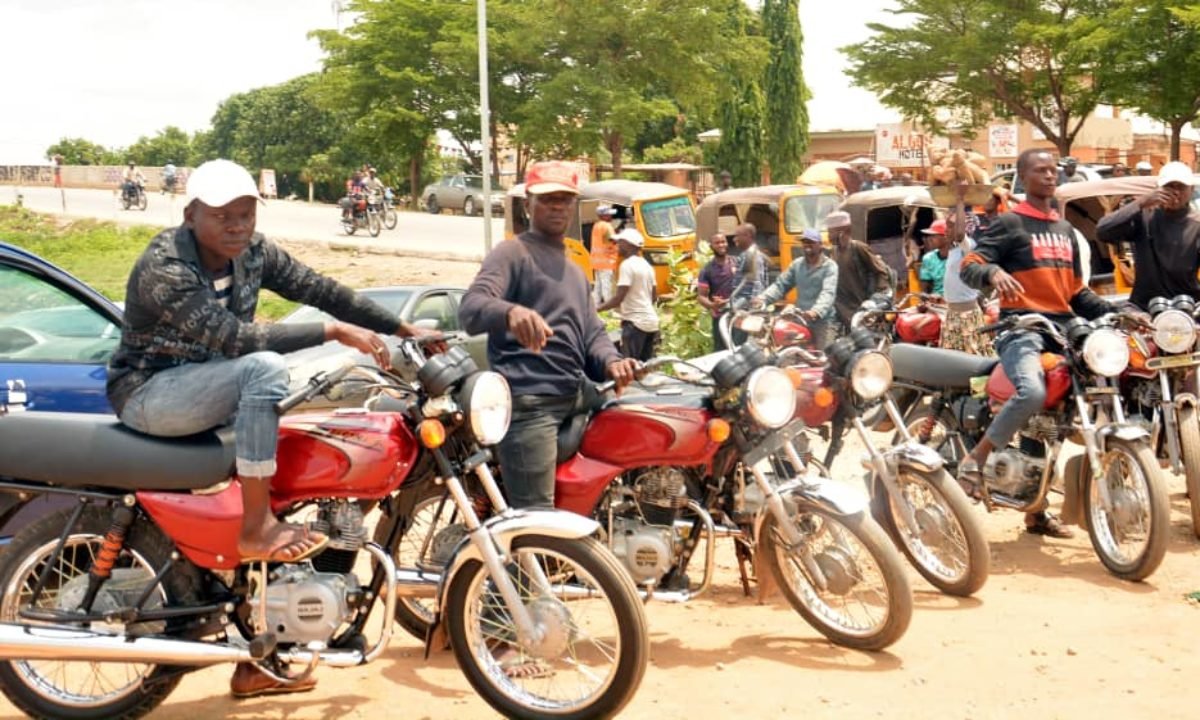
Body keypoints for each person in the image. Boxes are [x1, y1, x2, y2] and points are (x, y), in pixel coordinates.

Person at [106, 159, 440, 698]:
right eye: (223, 216)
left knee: (306, 448)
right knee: (264, 370)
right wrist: (333, 332)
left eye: (245, 214)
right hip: (151, 393)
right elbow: (233, 340)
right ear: (191, 215)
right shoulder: (163, 264)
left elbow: (320, 286)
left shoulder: (254, 253)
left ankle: (263, 653)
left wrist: (403, 328)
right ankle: (254, 526)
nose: (237, 226)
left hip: (210, 392)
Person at [459, 160, 638, 511]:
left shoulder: (573, 268)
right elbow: (471, 307)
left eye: (564, 199)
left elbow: (592, 334)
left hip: (577, 392)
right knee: (538, 523)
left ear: (573, 206)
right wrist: (511, 313)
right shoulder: (512, 253)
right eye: (547, 199)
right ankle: (527, 564)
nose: (557, 206)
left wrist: (614, 362)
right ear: (529, 205)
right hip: (532, 402)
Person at [959, 148, 1114, 539]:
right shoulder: (1010, 223)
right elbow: (970, 265)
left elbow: (1075, 292)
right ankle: (975, 459)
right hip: (1021, 326)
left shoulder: (1063, 230)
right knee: (1031, 392)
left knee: (1059, 415)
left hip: (1061, 330)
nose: (1049, 176)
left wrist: (1122, 311)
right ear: (1023, 179)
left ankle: (1035, 511)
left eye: (1053, 170)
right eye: (1040, 171)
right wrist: (993, 272)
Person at [1095, 161, 1200, 310]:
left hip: (1186, 308)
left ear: (1192, 189)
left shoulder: (1196, 225)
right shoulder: (1144, 216)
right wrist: (1141, 202)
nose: (1175, 192)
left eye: (1181, 187)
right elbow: (1103, 231)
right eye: (1169, 186)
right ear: (1158, 188)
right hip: (1144, 308)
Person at [752, 229, 838, 349]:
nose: (807, 245)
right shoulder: (797, 265)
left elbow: (828, 293)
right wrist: (763, 299)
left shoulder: (830, 267)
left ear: (820, 245)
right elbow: (780, 285)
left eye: (811, 242)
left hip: (823, 321)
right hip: (801, 318)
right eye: (805, 242)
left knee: (825, 359)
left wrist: (816, 311)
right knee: (791, 353)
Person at [941, 190, 994, 356]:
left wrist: (960, 199)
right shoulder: (954, 251)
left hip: (967, 316)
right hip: (952, 314)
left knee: (973, 358)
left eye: (950, 227)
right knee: (952, 361)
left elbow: (959, 234)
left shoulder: (968, 247)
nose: (946, 231)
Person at [597, 228, 659, 360]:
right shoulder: (647, 266)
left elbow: (618, 299)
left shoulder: (627, 265)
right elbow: (654, 297)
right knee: (644, 368)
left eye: (619, 242)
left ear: (629, 244)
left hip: (635, 324)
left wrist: (596, 309)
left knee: (629, 367)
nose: (616, 246)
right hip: (651, 323)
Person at [824, 210, 892, 328]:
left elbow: (881, 272)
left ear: (842, 232)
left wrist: (876, 299)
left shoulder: (858, 248)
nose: (828, 236)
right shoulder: (834, 252)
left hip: (862, 307)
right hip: (843, 309)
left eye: (831, 232)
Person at [697, 232, 737, 351]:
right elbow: (701, 296)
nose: (721, 245)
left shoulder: (737, 263)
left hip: (738, 315)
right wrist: (712, 305)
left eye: (723, 242)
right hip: (720, 318)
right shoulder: (707, 270)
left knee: (740, 349)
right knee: (721, 351)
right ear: (711, 247)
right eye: (717, 243)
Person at [731, 222, 768, 311]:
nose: (734, 239)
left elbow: (755, 285)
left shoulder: (751, 255)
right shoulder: (748, 254)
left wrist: (751, 307)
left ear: (747, 236)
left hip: (747, 308)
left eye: (737, 236)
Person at [590, 205, 619, 304]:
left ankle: (595, 307)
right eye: (609, 214)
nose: (611, 216)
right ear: (604, 215)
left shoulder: (596, 225)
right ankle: (609, 309)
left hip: (597, 261)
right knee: (607, 286)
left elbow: (603, 241)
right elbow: (611, 242)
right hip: (607, 261)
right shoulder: (607, 226)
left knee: (598, 286)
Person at [918, 219, 950, 296]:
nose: (930, 239)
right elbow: (925, 289)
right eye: (929, 236)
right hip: (937, 302)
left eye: (934, 236)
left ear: (946, 236)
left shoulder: (958, 256)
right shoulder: (928, 259)